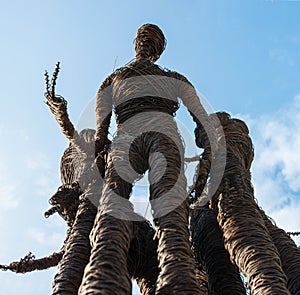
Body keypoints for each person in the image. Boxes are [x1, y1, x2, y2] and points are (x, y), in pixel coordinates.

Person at [79, 24, 212, 295]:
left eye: (153, 41)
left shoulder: (126, 78)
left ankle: (175, 279)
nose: (149, 44)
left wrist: (101, 143)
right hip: (136, 137)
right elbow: (102, 120)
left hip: (148, 137)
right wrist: (101, 142)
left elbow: (201, 118)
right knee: (118, 211)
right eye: (148, 39)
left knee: (164, 213)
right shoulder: (155, 78)